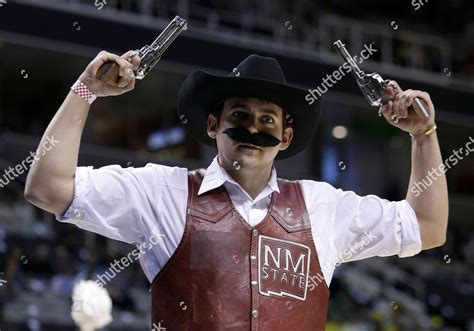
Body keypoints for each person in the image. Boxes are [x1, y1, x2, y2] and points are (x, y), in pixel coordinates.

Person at [24, 50, 448, 330]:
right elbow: (46, 187)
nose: (252, 127)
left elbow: (427, 226)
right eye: (240, 114)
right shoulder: (163, 192)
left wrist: (424, 135)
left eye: (268, 120)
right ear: (213, 126)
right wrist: (86, 90)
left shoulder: (323, 206)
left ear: (285, 137)